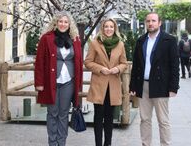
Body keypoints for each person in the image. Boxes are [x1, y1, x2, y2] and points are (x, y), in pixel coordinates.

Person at [129, 12, 180, 146]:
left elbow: (175, 65)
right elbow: (136, 65)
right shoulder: (141, 40)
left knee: (163, 120)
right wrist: (132, 86)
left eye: (153, 21)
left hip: (161, 85)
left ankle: (165, 144)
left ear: (159, 23)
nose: (150, 23)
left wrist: (173, 87)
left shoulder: (169, 40)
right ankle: (146, 144)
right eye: (148, 21)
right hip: (143, 85)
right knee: (145, 119)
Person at [34, 12, 83, 146]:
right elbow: (39, 62)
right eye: (60, 21)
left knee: (63, 114)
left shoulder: (75, 39)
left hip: (69, 81)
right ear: (56, 23)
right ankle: (52, 143)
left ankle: (61, 143)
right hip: (51, 82)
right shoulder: (46, 38)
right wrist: (39, 83)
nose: (63, 24)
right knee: (52, 113)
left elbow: (78, 62)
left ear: (69, 24)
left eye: (66, 22)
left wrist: (78, 84)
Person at [85, 18, 127, 146]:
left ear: (115, 29)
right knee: (98, 116)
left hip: (113, 85)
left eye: (111, 27)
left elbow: (124, 63)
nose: (109, 29)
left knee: (109, 117)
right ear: (102, 28)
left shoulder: (120, 44)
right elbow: (88, 62)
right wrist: (100, 69)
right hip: (99, 85)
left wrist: (117, 69)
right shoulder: (94, 43)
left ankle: (107, 143)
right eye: (106, 27)